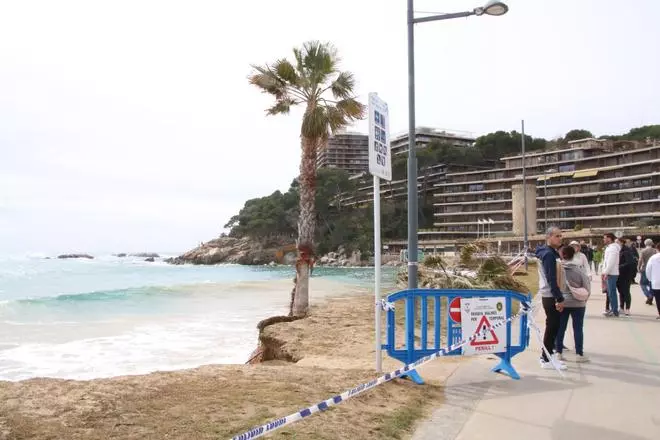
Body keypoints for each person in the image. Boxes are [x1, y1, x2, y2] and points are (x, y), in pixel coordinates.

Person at [535, 226, 567, 370]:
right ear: (549, 237)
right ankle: (546, 358)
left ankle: (549, 354)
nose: (560, 238)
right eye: (557, 236)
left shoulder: (551, 252)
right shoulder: (548, 254)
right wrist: (559, 298)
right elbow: (551, 279)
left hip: (551, 294)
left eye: (561, 236)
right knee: (552, 326)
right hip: (550, 295)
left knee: (554, 327)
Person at [555, 245, 591, 363]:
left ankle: (558, 352)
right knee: (578, 328)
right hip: (578, 303)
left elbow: (555, 286)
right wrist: (584, 299)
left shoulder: (559, 269)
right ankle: (579, 354)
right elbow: (587, 287)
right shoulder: (579, 269)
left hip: (563, 301)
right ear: (574, 255)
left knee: (561, 328)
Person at [601, 233, 621, 317]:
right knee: (610, 293)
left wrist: (606, 272)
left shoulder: (613, 248)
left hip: (611, 273)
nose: (604, 240)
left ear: (609, 239)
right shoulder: (610, 248)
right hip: (610, 273)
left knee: (612, 293)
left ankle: (614, 310)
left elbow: (610, 262)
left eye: (605, 238)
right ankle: (613, 309)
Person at [617, 238, 636, 316]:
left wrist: (618, 267)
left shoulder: (627, 251)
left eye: (617, 242)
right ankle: (621, 307)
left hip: (626, 275)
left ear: (621, 242)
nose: (616, 244)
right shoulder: (617, 251)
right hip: (618, 274)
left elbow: (629, 263)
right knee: (621, 292)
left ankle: (627, 308)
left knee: (626, 292)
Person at [644, 242, 660, 320]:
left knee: (658, 299)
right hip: (655, 281)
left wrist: (650, 279)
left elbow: (648, 269)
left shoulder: (653, 258)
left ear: (657, 249)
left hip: (656, 282)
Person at [639, 239, 657, 305]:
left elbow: (640, 260)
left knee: (642, 284)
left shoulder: (643, 251)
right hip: (653, 269)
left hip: (644, 269)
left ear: (645, 244)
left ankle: (649, 295)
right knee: (651, 284)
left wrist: (638, 267)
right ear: (652, 243)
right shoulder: (655, 251)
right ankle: (650, 296)